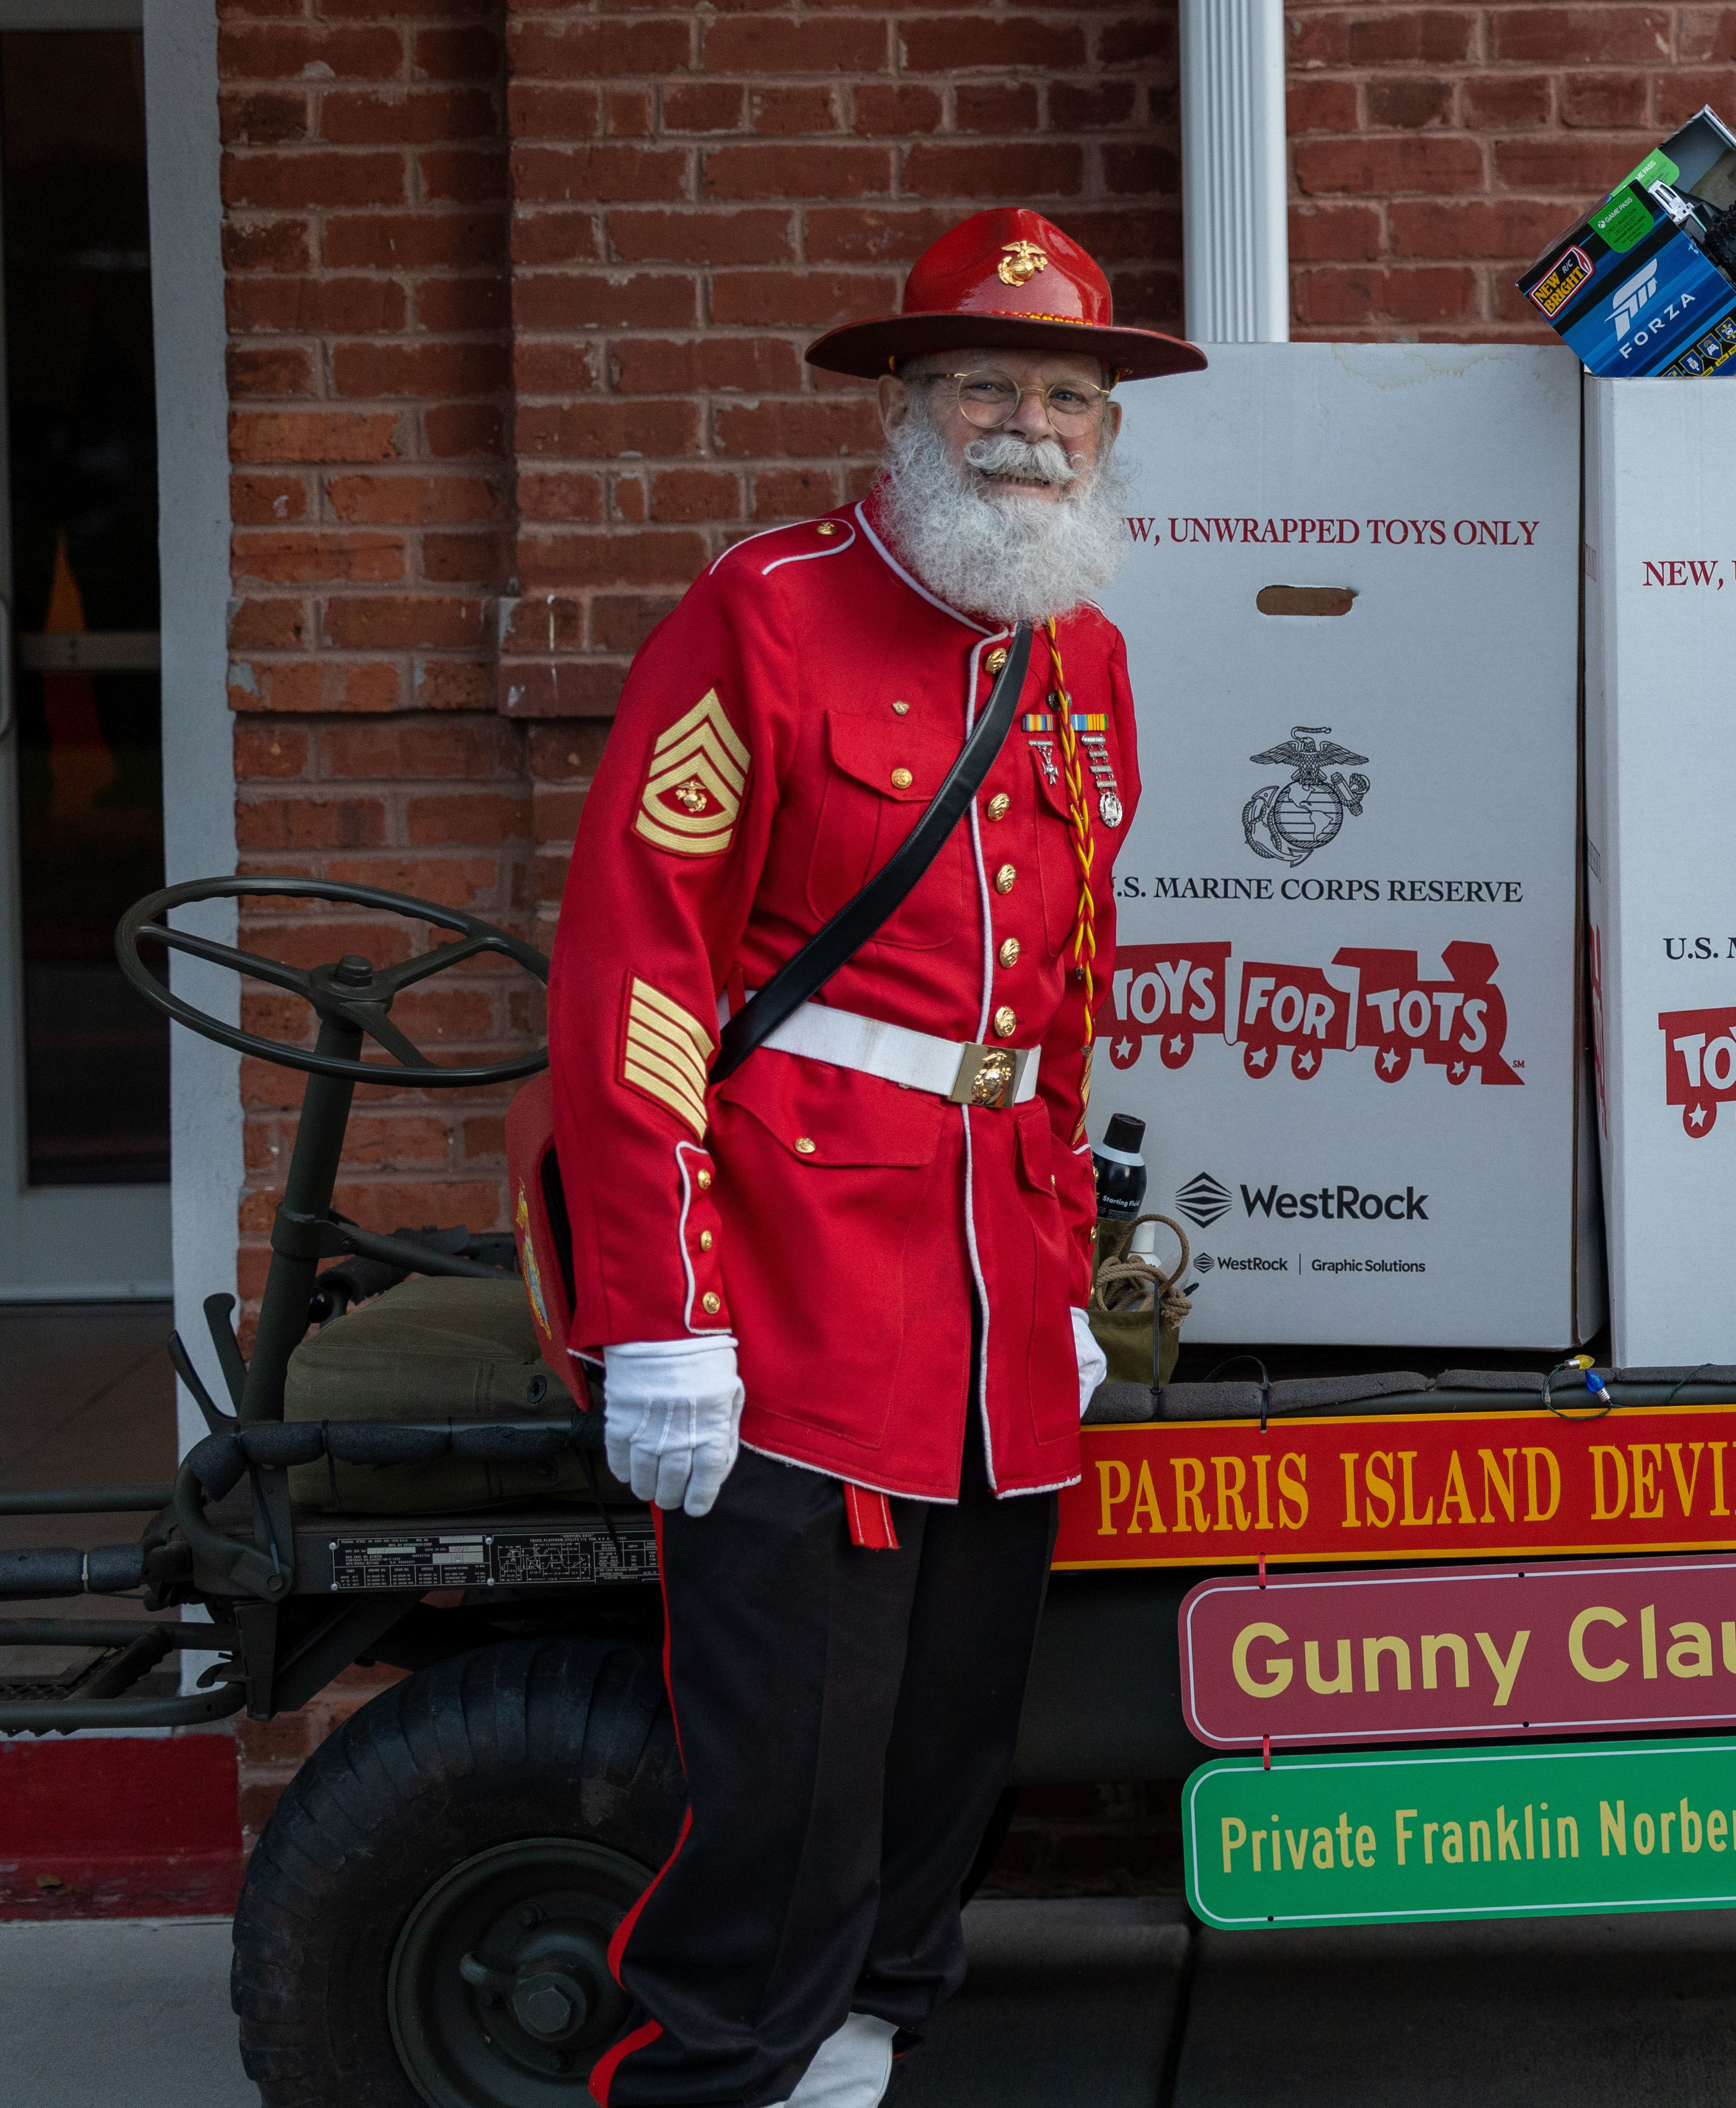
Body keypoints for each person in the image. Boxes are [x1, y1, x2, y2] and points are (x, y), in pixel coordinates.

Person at [548, 207, 1200, 2106]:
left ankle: (862, 2046)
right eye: (986, 384)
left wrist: (1066, 1264)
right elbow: (640, 981)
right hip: (793, 1276)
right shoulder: (760, 616)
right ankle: (727, 2072)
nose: (1030, 426)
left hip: (994, 1291)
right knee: (795, 1765)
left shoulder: (1086, 660)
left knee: (944, 1747)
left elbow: (1067, 999)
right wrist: (663, 1316)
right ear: (907, 410)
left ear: (1104, 435)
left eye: (1067, 395)